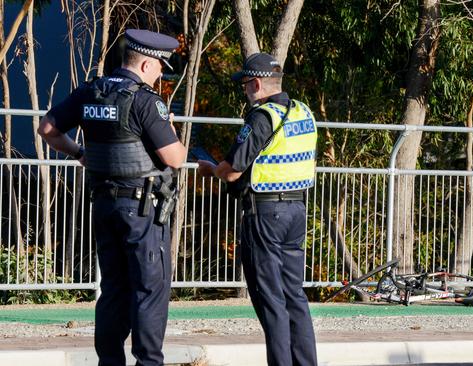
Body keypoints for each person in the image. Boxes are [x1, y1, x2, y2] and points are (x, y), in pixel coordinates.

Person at [38, 29, 186, 366]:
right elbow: (175, 158)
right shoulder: (146, 101)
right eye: (160, 67)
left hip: (103, 204)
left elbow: (47, 128)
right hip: (141, 209)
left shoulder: (91, 92)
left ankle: (109, 362)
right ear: (147, 64)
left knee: (113, 289)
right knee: (149, 291)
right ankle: (148, 362)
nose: (162, 73)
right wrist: (171, 129)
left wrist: (79, 152)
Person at [197, 52, 318, 366]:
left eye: (245, 84)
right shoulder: (303, 111)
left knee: (270, 300)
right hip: (297, 211)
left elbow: (234, 169)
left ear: (256, 83)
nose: (244, 91)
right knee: (294, 296)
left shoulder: (262, 116)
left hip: (265, 215)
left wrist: (212, 170)